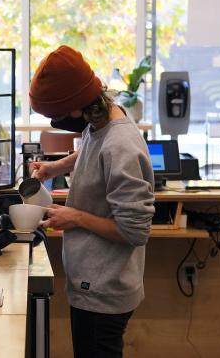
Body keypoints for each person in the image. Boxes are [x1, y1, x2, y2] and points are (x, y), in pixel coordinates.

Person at [27, 46, 155, 357]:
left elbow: (135, 231)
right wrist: (57, 167)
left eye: (55, 116)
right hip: (92, 280)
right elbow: (92, 148)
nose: (56, 122)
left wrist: (75, 217)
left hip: (105, 287)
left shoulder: (121, 144)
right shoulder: (102, 121)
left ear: (74, 107)